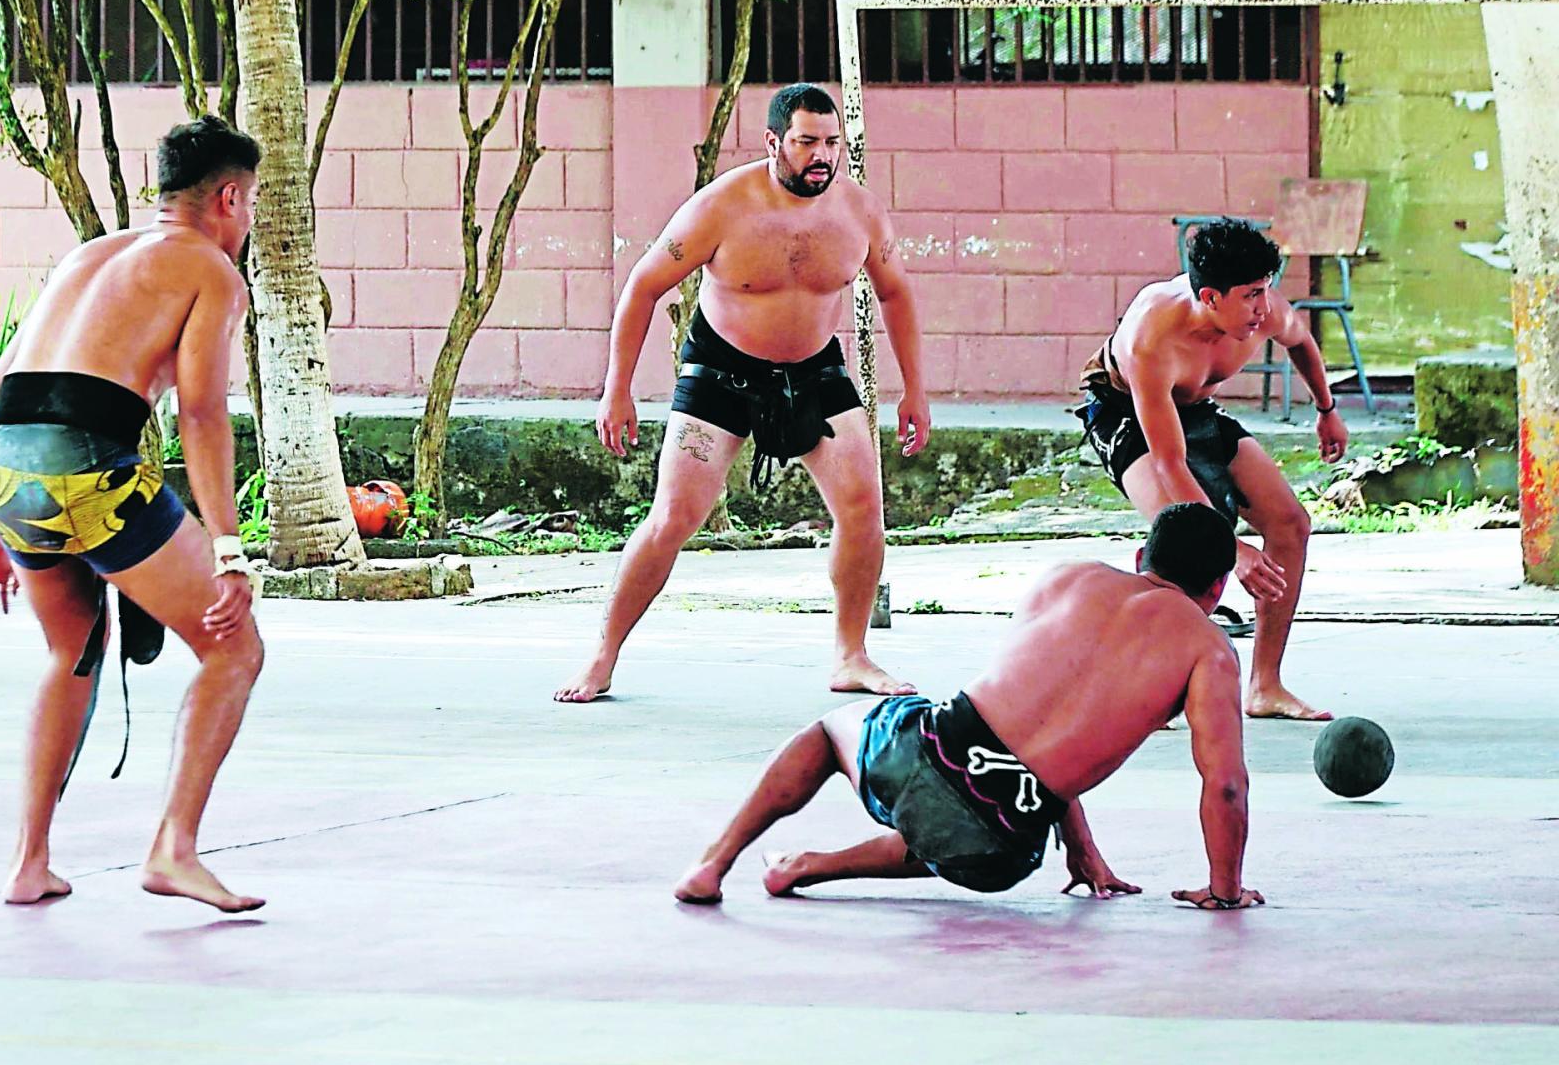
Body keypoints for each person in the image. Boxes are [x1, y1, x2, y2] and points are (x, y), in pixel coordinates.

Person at [674, 503, 1265, 913]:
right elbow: (1226, 786)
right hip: (997, 849)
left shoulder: (1070, 578)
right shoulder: (1209, 650)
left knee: (834, 732)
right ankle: (806, 866)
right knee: (964, 822)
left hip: (919, 755)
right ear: (1218, 589)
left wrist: (1083, 848)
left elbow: (1023, 711)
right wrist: (1225, 890)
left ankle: (711, 864)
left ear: (1142, 557)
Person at [0, 115, 266, 913]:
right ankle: (174, 848)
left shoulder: (86, 257)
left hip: (8, 465)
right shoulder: (209, 269)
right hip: (85, 464)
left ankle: (29, 861)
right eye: (252, 207)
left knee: (72, 645)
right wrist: (231, 550)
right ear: (229, 197)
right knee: (233, 646)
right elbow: (203, 414)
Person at [553, 83, 930, 703]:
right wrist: (615, 390)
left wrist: (915, 389)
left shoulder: (858, 211)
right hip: (721, 373)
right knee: (674, 516)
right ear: (774, 142)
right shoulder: (721, 207)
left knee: (864, 510)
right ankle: (603, 655)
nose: (822, 157)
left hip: (814, 373)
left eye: (832, 143)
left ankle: (852, 654)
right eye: (808, 142)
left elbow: (896, 293)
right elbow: (644, 287)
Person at [1078, 217, 1346, 721]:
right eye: (1249, 296)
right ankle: (1140, 687)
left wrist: (1327, 410)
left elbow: (1302, 343)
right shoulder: (1151, 338)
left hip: (1196, 409)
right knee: (1182, 544)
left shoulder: (1266, 313)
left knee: (1291, 523)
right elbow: (1170, 462)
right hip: (1125, 412)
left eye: (1265, 290)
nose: (1261, 308)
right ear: (1210, 296)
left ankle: (1265, 685)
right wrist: (1230, 549)